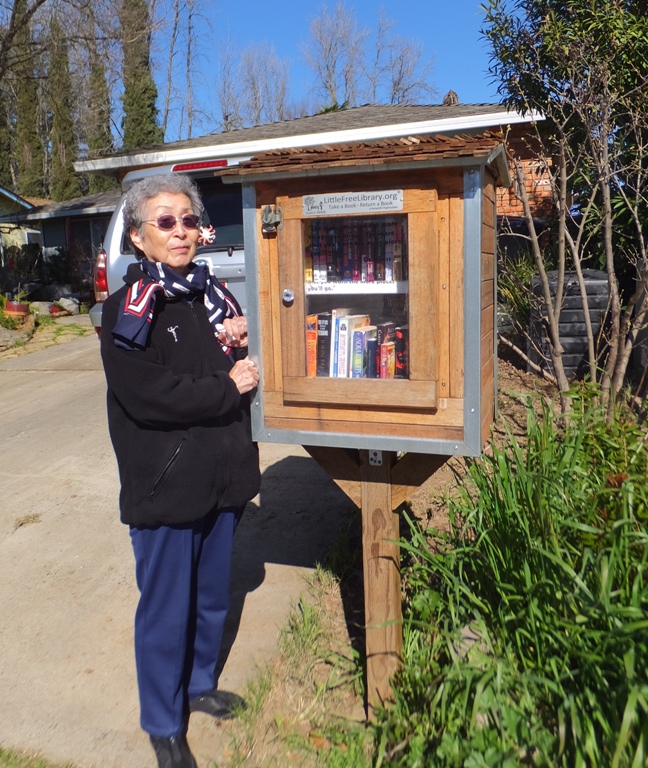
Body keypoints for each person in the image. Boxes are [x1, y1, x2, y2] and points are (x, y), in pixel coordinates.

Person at [100, 173, 261, 768]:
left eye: (188, 219)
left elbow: (219, 363)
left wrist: (235, 343)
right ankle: (164, 724)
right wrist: (228, 385)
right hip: (165, 485)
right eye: (164, 221)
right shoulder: (131, 307)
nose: (180, 231)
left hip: (220, 479)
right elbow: (149, 394)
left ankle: (198, 686)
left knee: (211, 597)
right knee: (166, 609)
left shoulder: (210, 296)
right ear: (139, 238)